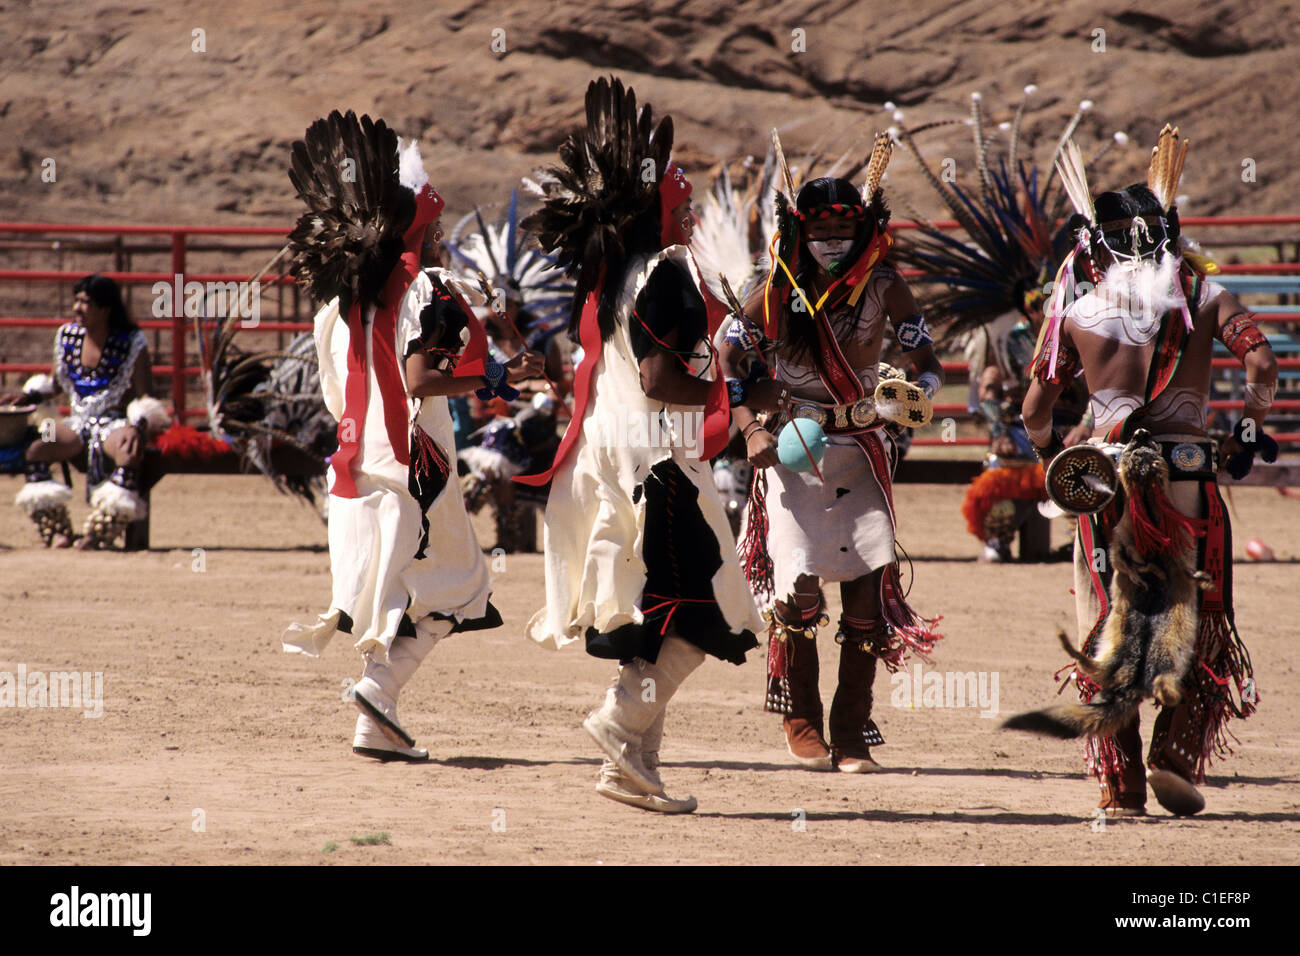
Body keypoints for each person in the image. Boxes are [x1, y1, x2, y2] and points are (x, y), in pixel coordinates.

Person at [519, 77, 763, 813]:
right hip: (658, 464)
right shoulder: (665, 274)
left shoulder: (614, 277)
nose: (692, 216)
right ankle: (618, 722)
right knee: (707, 615)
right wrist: (738, 394)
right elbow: (662, 379)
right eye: (683, 205)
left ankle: (633, 769)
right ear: (658, 210)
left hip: (622, 458)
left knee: (654, 618)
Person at [1021, 127, 1276, 816]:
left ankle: (1121, 782)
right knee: (1196, 611)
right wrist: (1247, 430)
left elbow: (1035, 408)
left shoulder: (1074, 306)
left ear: (1096, 240)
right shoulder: (1207, 293)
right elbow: (1263, 366)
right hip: (1189, 473)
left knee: (1110, 622)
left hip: (1103, 480)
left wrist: (1053, 456)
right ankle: (1175, 753)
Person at [279, 110, 541, 763]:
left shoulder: (340, 301)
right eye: (438, 229)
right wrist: (499, 378)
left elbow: (344, 390)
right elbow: (422, 379)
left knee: (404, 587)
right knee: (460, 584)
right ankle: (379, 687)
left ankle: (377, 717)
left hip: (357, 464)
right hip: (415, 463)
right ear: (417, 231)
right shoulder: (423, 286)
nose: (446, 240)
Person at [722, 152, 945, 774]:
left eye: (842, 233)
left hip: (865, 449)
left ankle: (850, 731)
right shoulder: (771, 290)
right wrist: (748, 429)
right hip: (790, 451)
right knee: (796, 590)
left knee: (868, 595)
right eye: (818, 233)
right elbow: (728, 366)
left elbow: (926, 358)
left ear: (865, 231)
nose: (830, 244)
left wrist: (914, 394)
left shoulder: (886, 286)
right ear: (799, 233)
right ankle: (800, 720)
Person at [6, 274, 169, 549]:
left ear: (105, 309)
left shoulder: (131, 341)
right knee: (36, 448)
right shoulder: (67, 336)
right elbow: (56, 385)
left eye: (86, 302)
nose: (77, 308)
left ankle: (99, 532)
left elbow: (144, 395)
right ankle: (55, 530)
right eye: (77, 300)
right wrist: (31, 395)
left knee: (127, 453)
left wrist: (136, 424)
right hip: (75, 421)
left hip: (114, 423)